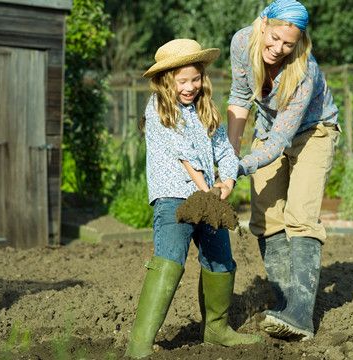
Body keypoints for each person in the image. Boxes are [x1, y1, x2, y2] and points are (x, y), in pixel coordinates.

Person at [126, 38, 261, 359]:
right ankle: (140, 346)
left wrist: (227, 179)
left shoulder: (204, 110)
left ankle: (216, 329)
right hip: (174, 197)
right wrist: (206, 188)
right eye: (182, 81)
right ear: (165, 81)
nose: (190, 87)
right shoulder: (158, 109)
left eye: (195, 79)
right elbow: (182, 154)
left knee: (221, 260)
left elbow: (224, 149)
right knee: (170, 261)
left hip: (207, 196)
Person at [227, 0, 340, 342]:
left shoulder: (305, 71)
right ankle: (284, 305)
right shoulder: (241, 43)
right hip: (269, 127)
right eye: (274, 38)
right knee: (266, 219)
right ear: (263, 24)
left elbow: (280, 139)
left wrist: (242, 165)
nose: (278, 49)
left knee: (300, 215)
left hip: (312, 131)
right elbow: (239, 97)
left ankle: (301, 315)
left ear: (299, 43)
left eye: (288, 44)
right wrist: (229, 156)